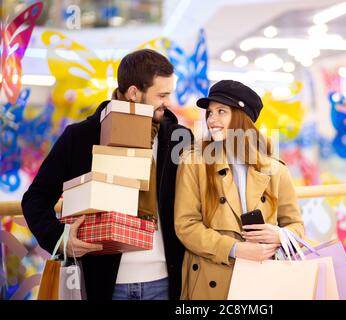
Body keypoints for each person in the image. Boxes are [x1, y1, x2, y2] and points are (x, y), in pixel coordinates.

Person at [22, 49, 193, 300]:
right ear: (134, 93)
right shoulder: (80, 137)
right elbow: (35, 198)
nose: (168, 101)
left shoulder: (178, 137)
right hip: (102, 283)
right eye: (162, 95)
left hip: (164, 282)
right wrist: (61, 238)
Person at [174, 80, 305, 299]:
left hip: (262, 281)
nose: (212, 120)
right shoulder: (194, 163)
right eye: (209, 113)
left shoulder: (275, 169)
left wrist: (280, 235)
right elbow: (185, 226)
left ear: (241, 118)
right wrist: (234, 249)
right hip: (210, 280)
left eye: (221, 111)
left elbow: (296, 225)